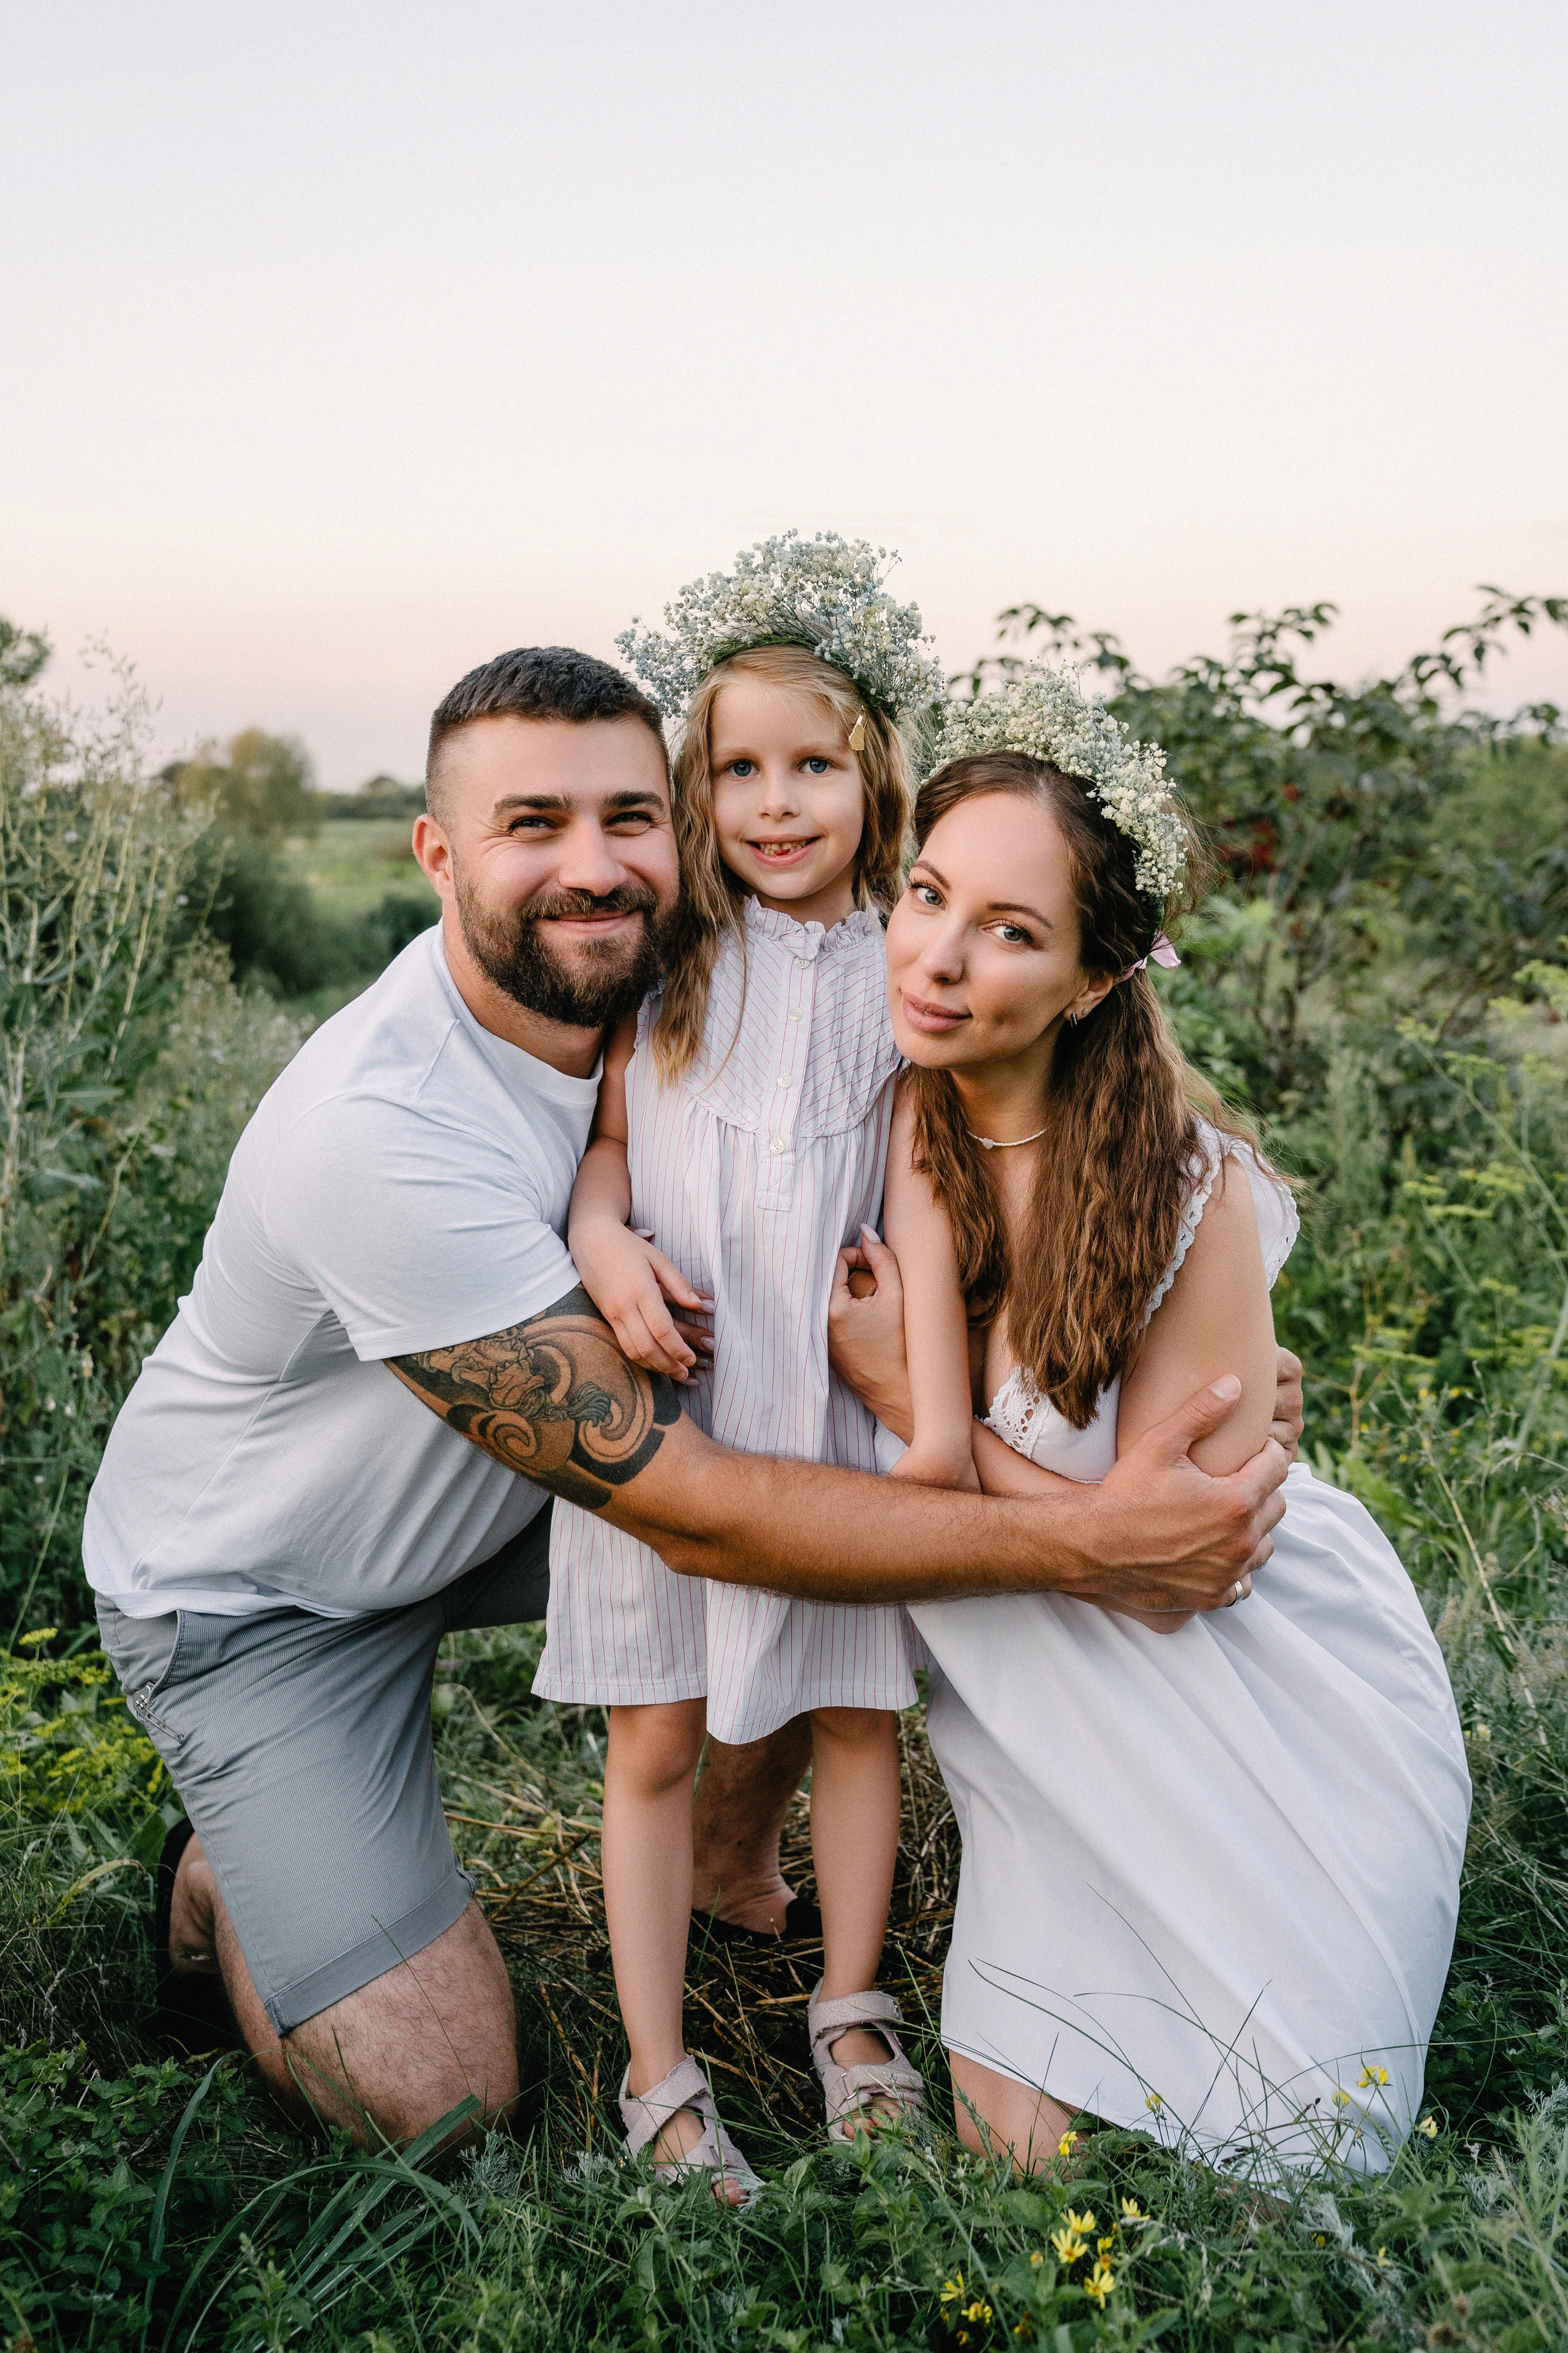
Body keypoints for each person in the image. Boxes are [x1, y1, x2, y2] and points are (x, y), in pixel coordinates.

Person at [83, 633, 1298, 2157]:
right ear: (435, 852)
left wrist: (1175, 1366)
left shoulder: (686, 967)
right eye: (531, 826)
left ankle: (734, 1864)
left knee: (808, 1518)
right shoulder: (375, 1126)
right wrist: (1098, 1535)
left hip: (504, 1495)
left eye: (624, 815)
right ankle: (232, 1862)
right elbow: (718, 1516)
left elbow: (909, 1175)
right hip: (265, 1587)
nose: (590, 866)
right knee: (441, 2100)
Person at [829, 669, 1471, 2174]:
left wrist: (905, 1399)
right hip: (1033, 1716)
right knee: (1016, 2143)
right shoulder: (873, 1115)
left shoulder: (1189, 1196)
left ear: (1094, 979)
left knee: (1301, 2135)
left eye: (1010, 930)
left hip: (1237, 1700)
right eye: (925, 894)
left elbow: (1178, 1572)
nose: (936, 956)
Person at [537, 540, 943, 2196]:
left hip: (833, 1406)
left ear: (871, 777)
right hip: (676, 1393)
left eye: (813, 765)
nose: (777, 803)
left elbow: (920, 1184)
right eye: (740, 769)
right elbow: (606, 1155)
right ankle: (658, 2074)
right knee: (654, 1738)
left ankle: (848, 2007)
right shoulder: (672, 961)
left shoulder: (900, 971)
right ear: (700, 791)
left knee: (857, 1719)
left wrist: (921, 1382)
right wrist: (604, 1248)